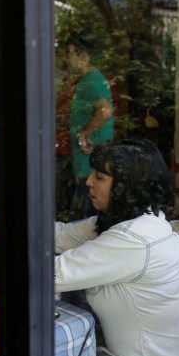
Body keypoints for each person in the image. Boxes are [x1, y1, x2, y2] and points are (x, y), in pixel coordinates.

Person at [54, 139, 179, 356]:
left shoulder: (135, 239)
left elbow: (52, 274)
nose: (88, 182)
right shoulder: (134, 219)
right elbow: (61, 235)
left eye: (100, 177)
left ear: (127, 186)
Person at [65, 34, 114, 219]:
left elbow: (104, 112)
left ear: (83, 56)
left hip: (92, 167)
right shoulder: (87, 80)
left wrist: (83, 134)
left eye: (70, 54)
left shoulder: (93, 80)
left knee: (90, 221)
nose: (66, 59)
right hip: (87, 165)